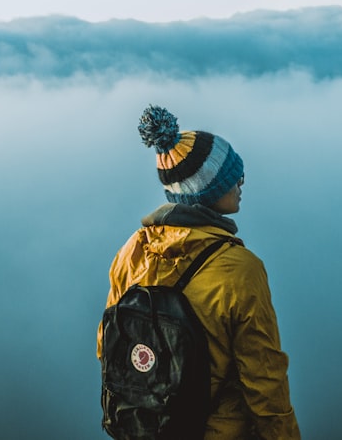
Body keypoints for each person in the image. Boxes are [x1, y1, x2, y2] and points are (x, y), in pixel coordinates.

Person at [98, 105, 300, 439]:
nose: (241, 182)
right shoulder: (240, 269)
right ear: (206, 192)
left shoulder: (132, 250)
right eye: (232, 177)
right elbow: (265, 380)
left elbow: (108, 346)